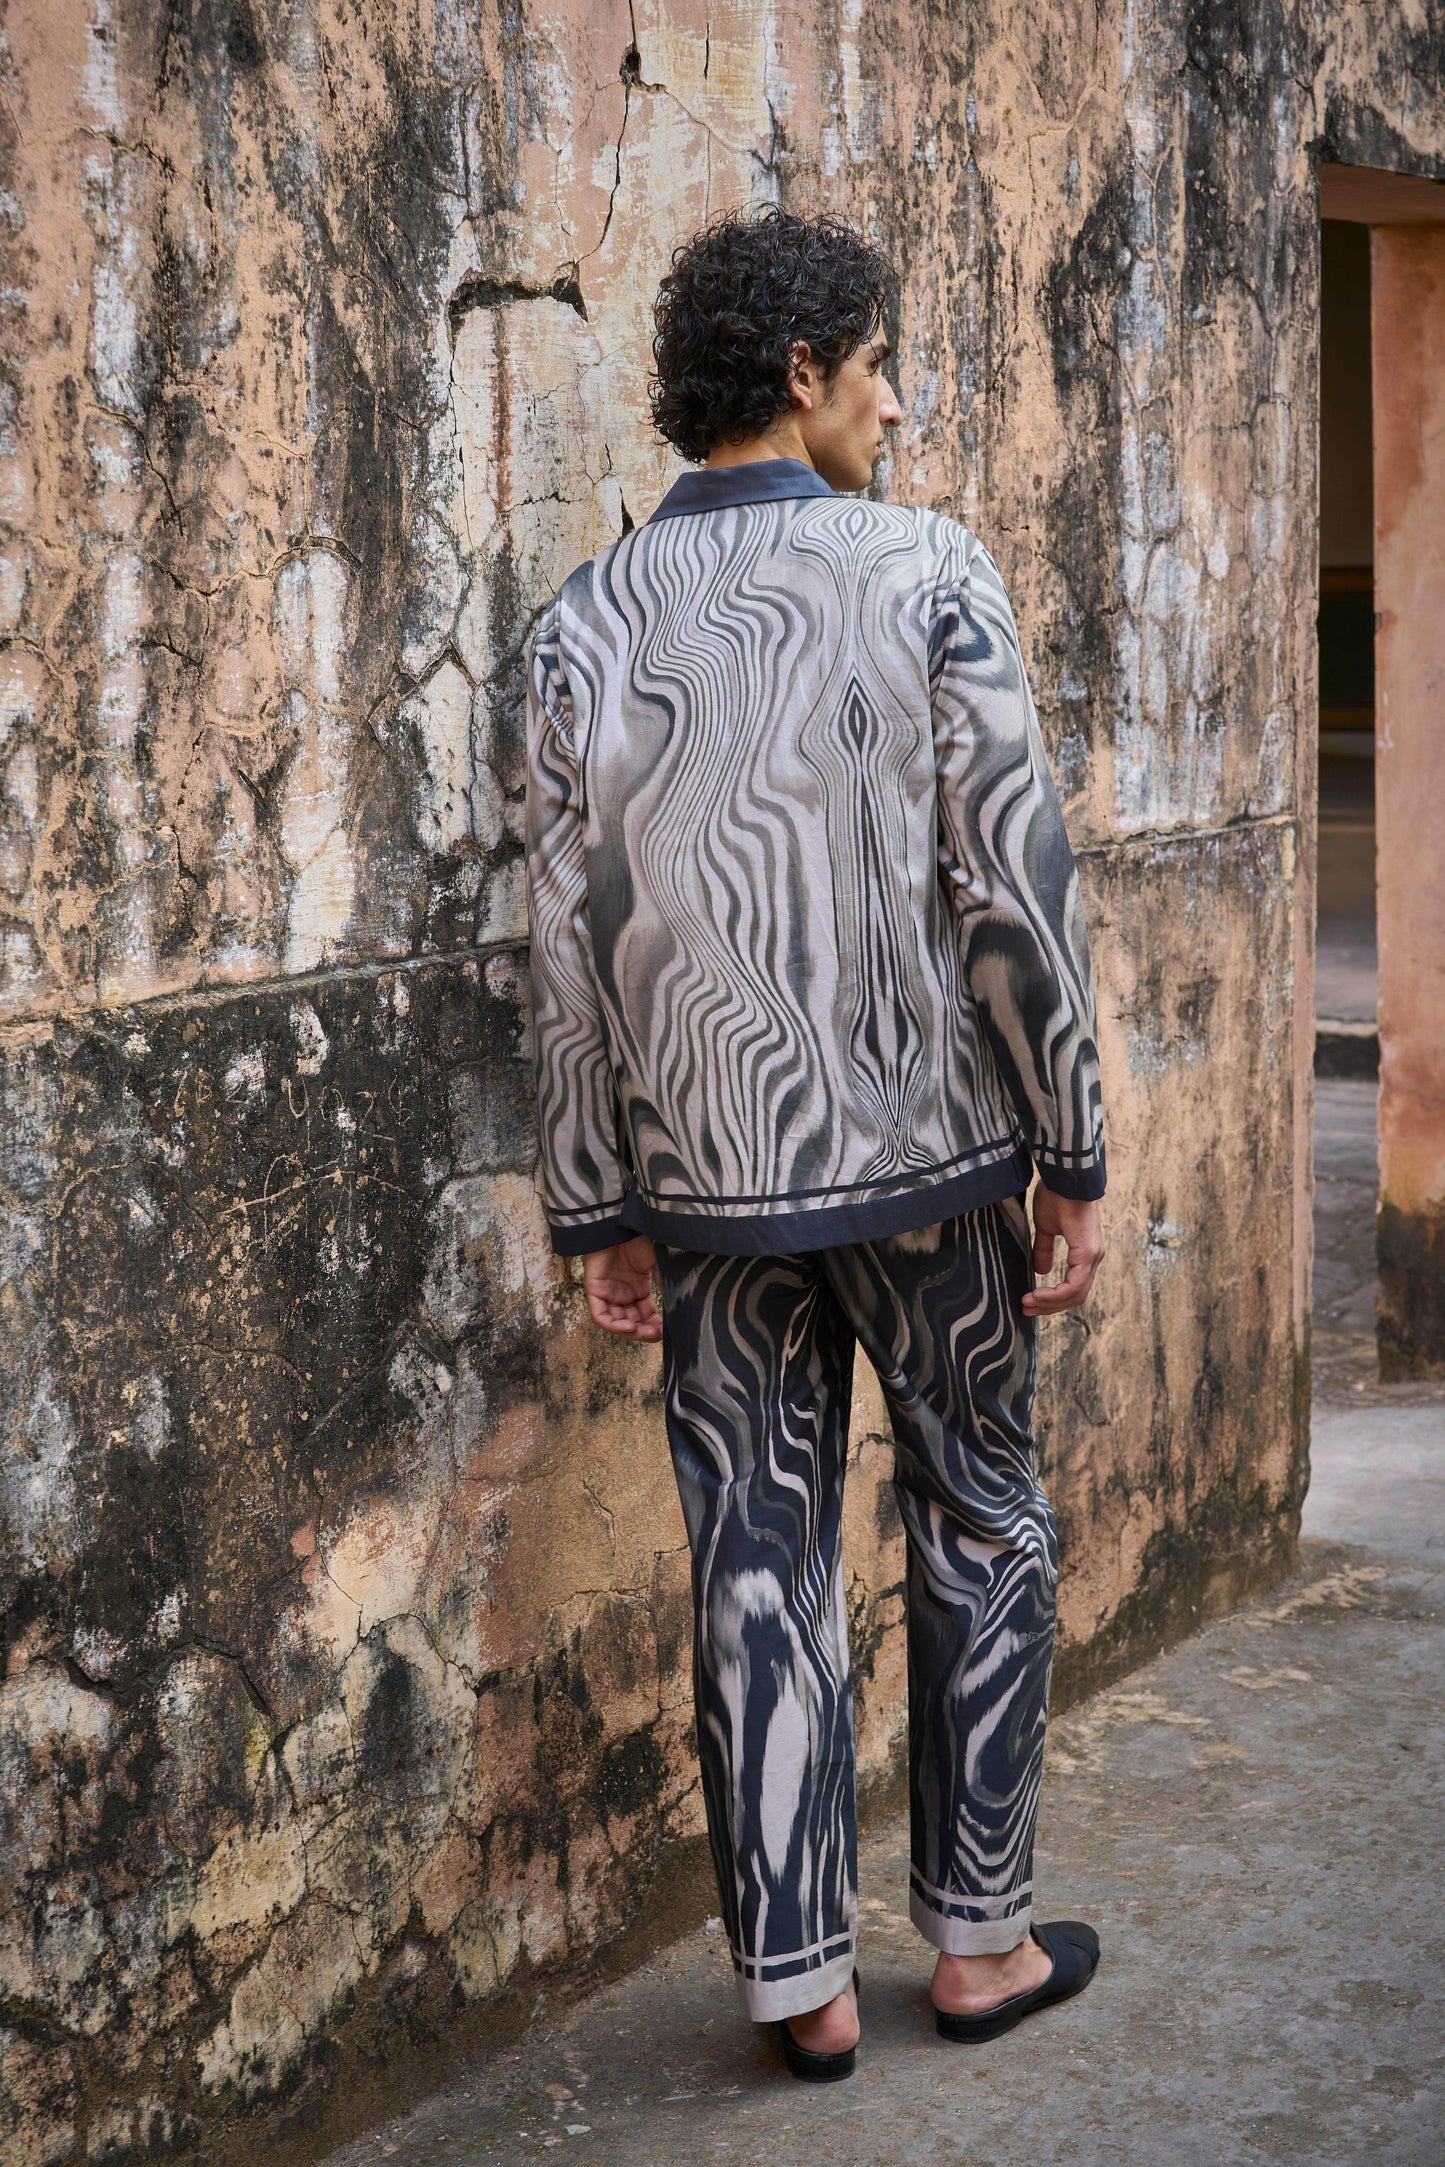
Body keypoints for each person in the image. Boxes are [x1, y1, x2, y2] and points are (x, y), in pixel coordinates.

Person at [524, 207, 1106, 2082]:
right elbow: (1010, 880)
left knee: (752, 1558)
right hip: (933, 1171)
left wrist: (595, 1205)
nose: (894, 401)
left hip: (707, 1190)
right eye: (876, 365)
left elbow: (562, 943)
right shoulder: (928, 568)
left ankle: (801, 1987)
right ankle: (980, 1945)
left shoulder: (582, 622)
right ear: (798, 372)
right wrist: (1070, 1143)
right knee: (983, 1512)